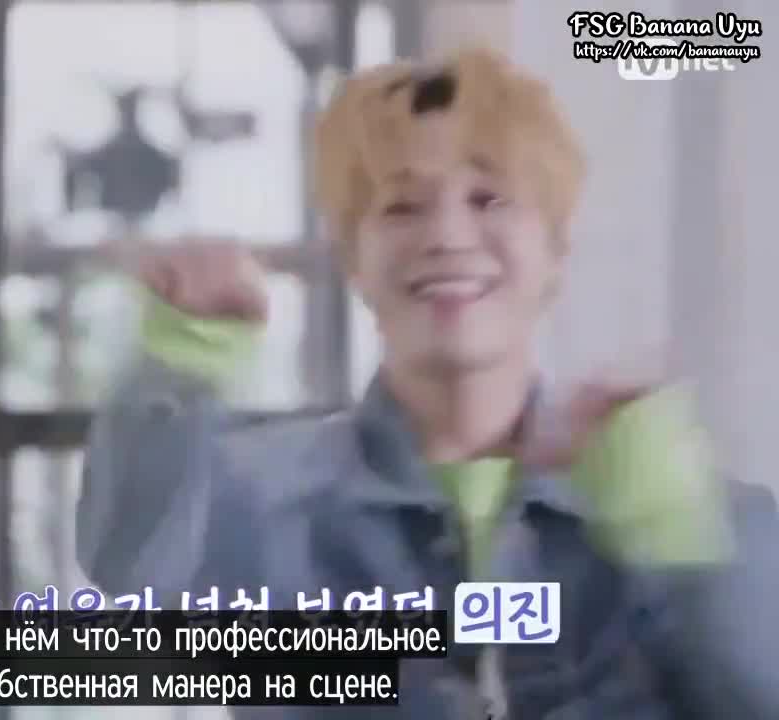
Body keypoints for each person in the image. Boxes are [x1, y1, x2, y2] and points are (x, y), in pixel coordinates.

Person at [76, 47, 779, 719]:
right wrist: (181, 366)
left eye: (490, 198)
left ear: (556, 250)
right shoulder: (267, 504)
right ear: (354, 261)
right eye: (401, 207)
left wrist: (687, 543)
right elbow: (136, 585)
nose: (446, 234)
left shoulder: (690, 508)